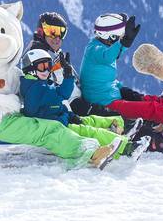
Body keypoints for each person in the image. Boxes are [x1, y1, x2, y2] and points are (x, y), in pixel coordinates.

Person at [19, 48, 151, 161]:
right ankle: (127, 147)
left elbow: (54, 105)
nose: (47, 70)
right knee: (89, 131)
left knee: (91, 120)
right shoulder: (36, 88)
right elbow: (61, 95)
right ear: (30, 68)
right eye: (42, 66)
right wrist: (68, 76)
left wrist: (70, 115)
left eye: (49, 66)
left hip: (59, 120)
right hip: (57, 127)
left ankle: (121, 128)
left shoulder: (37, 84)